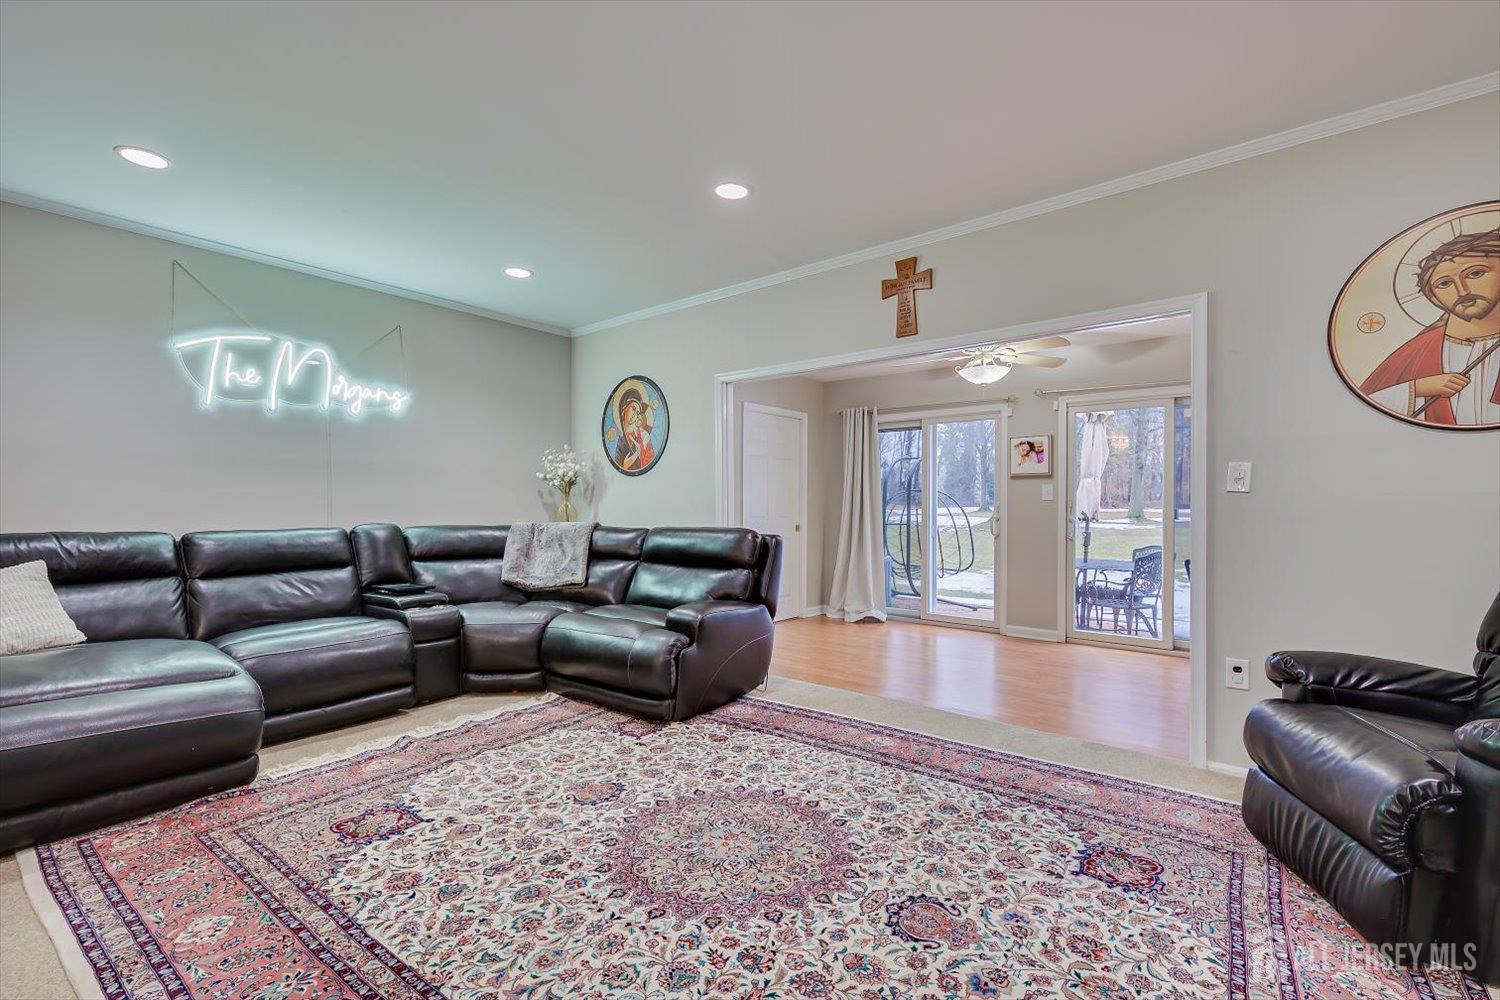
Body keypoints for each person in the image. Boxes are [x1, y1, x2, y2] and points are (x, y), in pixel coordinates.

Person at [1360, 229, 1500, 427]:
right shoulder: (1417, 351)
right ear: (1433, 297)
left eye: (1475, 273)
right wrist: (1417, 388)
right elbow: (1363, 408)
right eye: (1444, 283)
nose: (1462, 291)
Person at [613, 386, 655, 471]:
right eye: (633, 409)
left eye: (637, 412)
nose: (634, 415)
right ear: (625, 408)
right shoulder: (621, 443)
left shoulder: (641, 437)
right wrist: (625, 466)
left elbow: (649, 461)